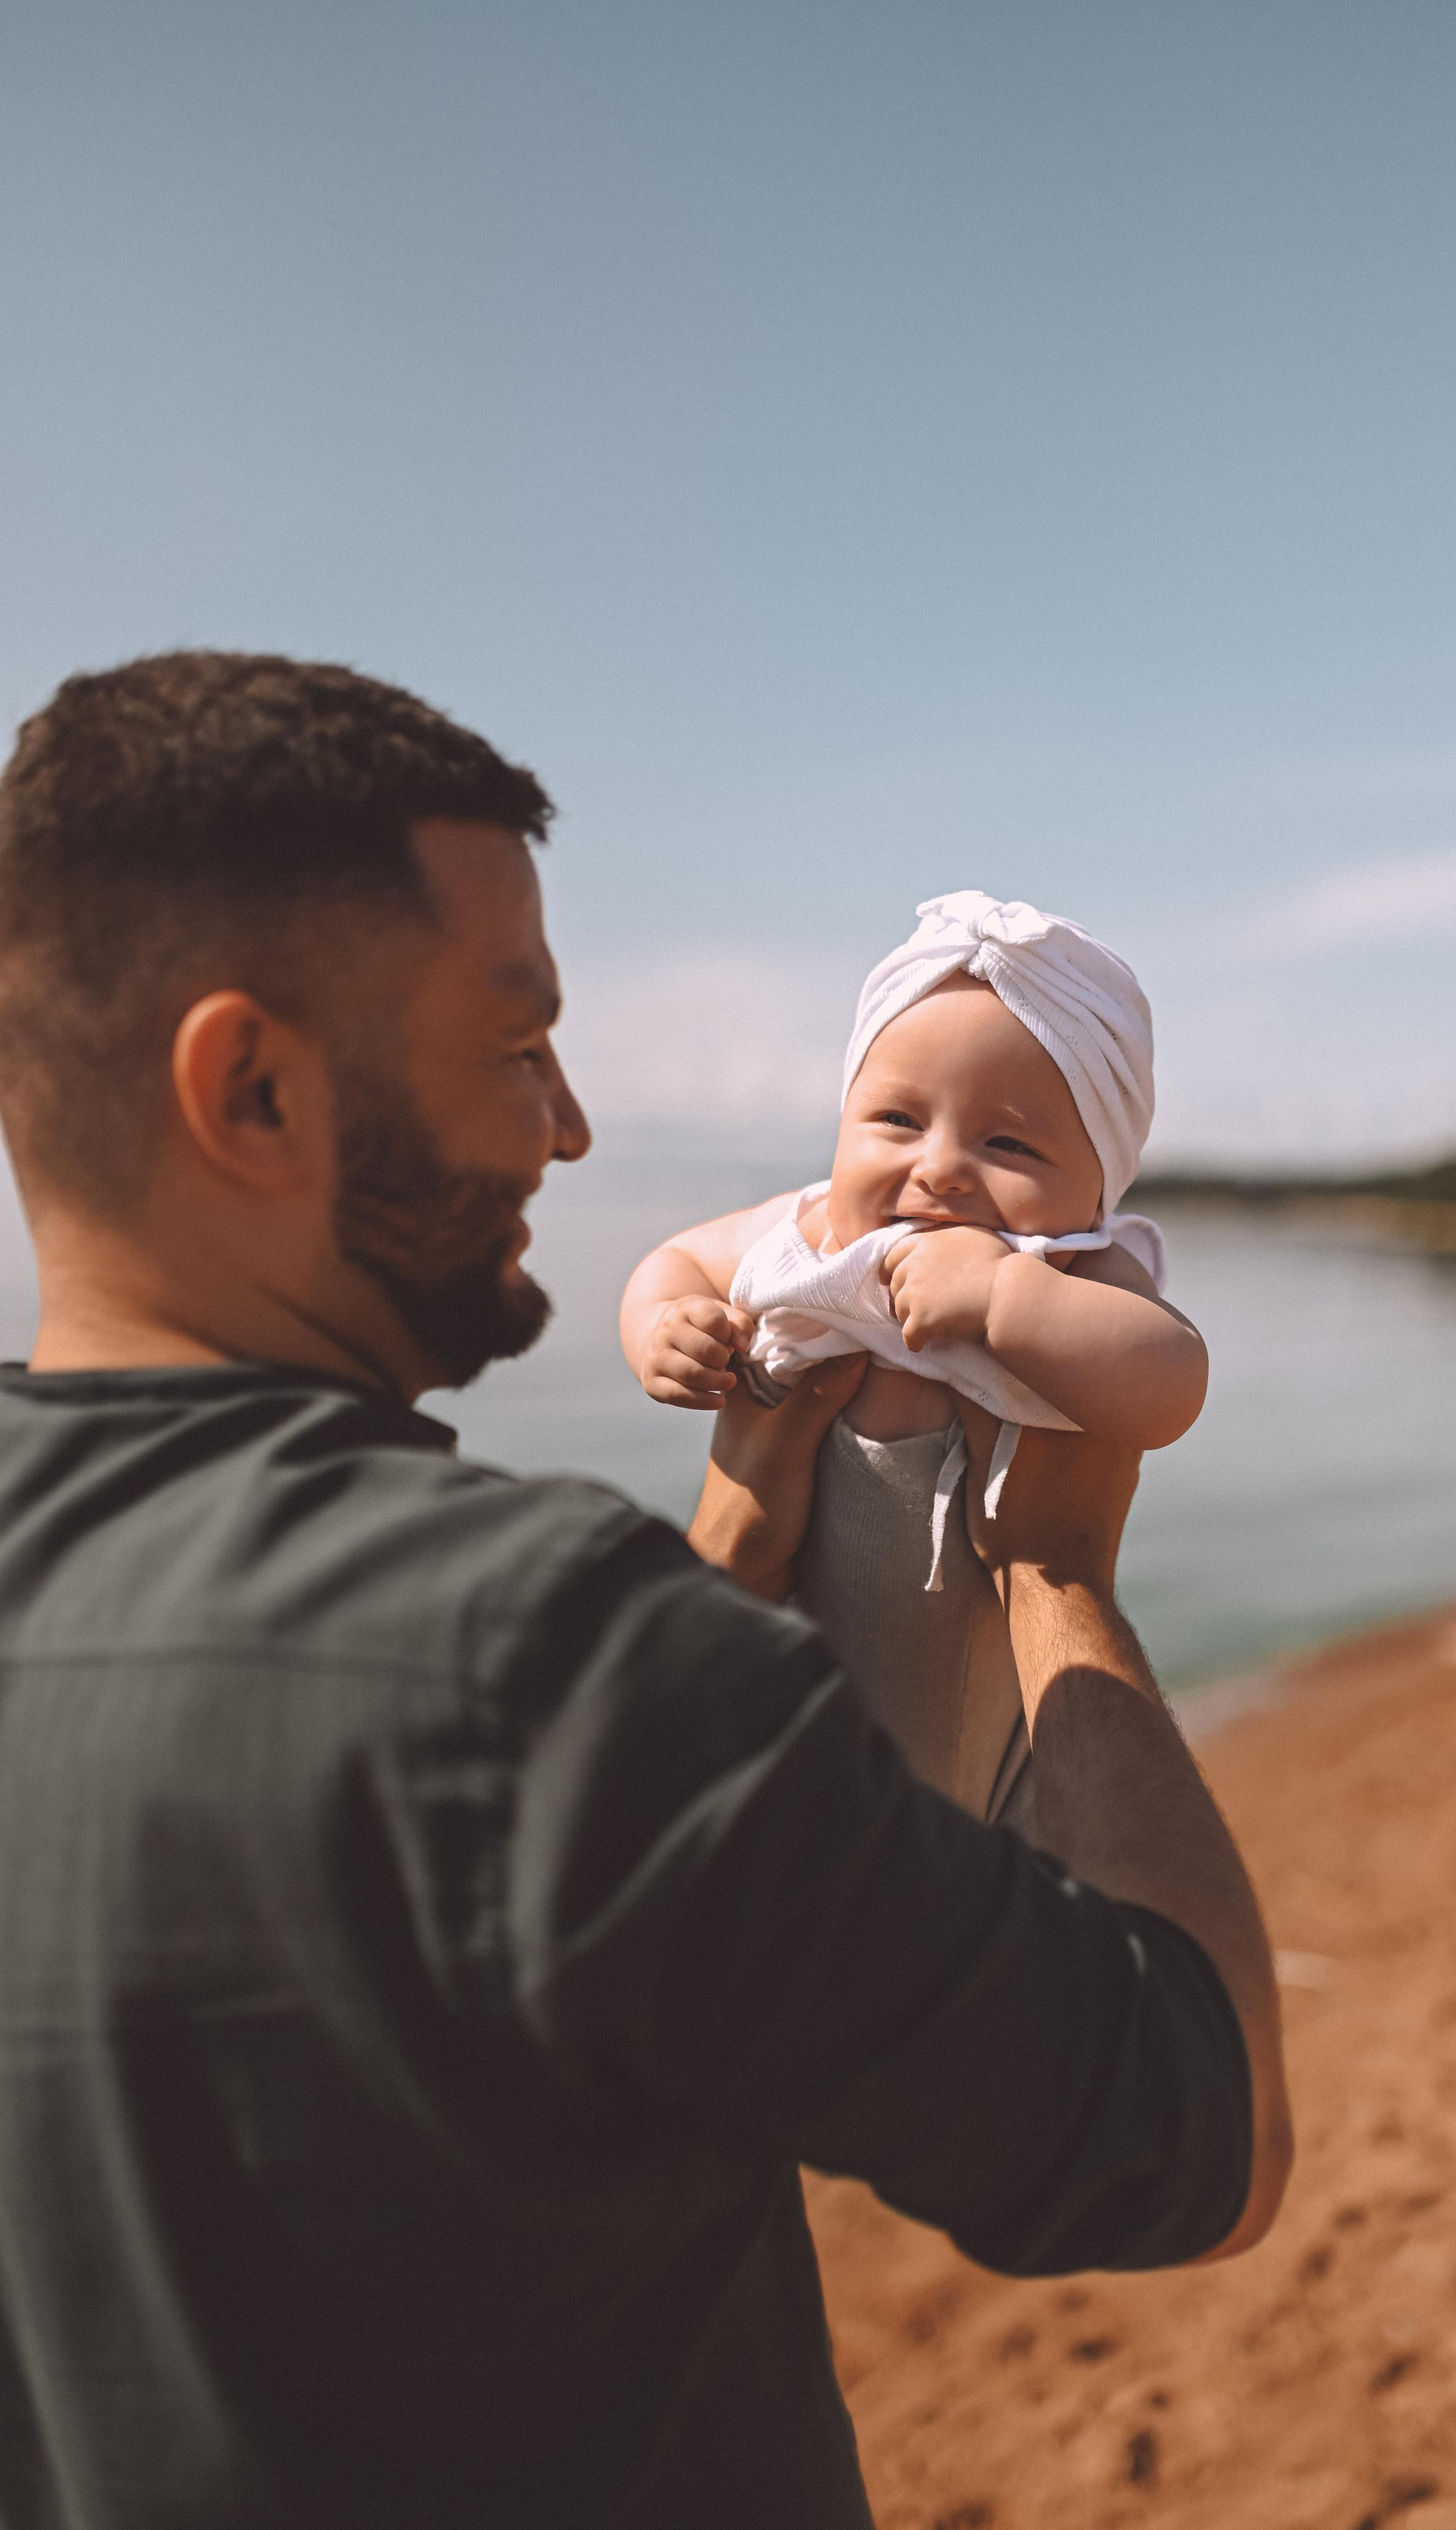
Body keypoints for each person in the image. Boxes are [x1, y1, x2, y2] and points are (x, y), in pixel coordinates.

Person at [0, 652, 1291, 2530]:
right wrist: (1059, 1580)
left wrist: (742, 1543)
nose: (574, 1126)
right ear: (252, 1091)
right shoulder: (542, 1667)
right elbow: (1195, 2130)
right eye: (514, 1043)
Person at [619, 891, 1206, 1819]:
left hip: (994, 1759)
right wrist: (667, 1325)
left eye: (1006, 1142)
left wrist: (1007, 1297)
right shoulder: (808, 1234)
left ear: (1099, 1187)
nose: (939, 1168)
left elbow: (1172, 1382)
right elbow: (677, 1260)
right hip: (791, 1697)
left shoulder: (1075, 1270)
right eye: (897, 1120)